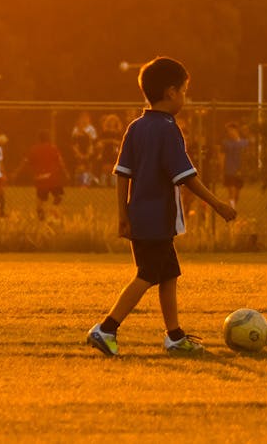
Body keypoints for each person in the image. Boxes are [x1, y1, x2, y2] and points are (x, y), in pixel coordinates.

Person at [85, 57, 236, 357]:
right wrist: (218, 204)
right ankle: (106, 328)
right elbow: (187, 177)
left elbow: (121, 174)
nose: (185, 97)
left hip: (140, 217)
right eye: (184, 91)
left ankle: (175, 336)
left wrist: (122, 214)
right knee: (147, 274)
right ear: (170, 92)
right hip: (157, 220)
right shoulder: (168, 129)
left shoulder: (135, 127)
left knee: (168, 274)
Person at [14, 130, 69, 220]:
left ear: (38, 139)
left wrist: (16, 172)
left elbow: (25, 162)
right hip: (53, 178)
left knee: (40, 201)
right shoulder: (53, 148)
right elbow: (60, 161)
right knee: (59, 196)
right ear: (49, 139)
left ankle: (41, 217)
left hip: (40, 179)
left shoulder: (34, 149)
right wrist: (66, 172)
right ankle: (54, 207)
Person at [220, 122, 248, 209]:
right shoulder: (225, 143)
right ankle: (232, 209)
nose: (230, 132)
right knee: (231, 192)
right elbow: (222, 156)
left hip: (240, 170)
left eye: (232, 130)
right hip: (229, 170)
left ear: (236, 130)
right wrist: (222, 169)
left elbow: (247, 156)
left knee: (237, 193)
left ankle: (233, 205)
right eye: (228, 131)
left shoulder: (244, 143)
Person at [70, 112, 97, 186]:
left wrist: (88, 153)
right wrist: (78, 153)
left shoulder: (91, 128)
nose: (84, 120)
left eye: (86, 118)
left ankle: (86, 184)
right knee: (79, 168)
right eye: (82, 118)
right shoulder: (76, 129)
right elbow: (74, 143)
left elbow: (93, 141)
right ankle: (78, 183)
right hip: (79, 152)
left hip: (88, 152)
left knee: (87, 168)